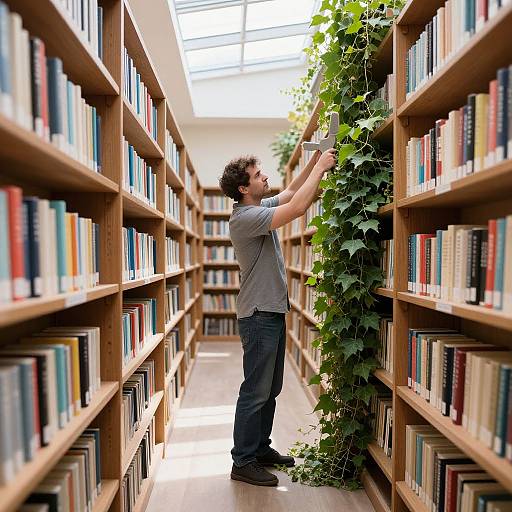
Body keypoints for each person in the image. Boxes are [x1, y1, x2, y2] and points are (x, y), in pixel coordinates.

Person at [218, 148, 336, 487]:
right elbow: (298, 207)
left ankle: (260, 449)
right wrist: (323, 167)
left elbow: (290, 192)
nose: (265, 177)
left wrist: (314, 164)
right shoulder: (243, 218)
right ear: (243, 188)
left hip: (271, 310)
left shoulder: (257, 207)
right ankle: (242, 461)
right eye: (258, 175)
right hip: (258, 315)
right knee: (255, 390)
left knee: (271, 388)